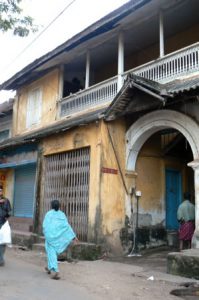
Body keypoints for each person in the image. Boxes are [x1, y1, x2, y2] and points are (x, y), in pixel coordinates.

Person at [43, 199, 78, 280]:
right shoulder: (62, 215)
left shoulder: (48, 214)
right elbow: (66, 226)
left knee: (51, 252)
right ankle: (49, 267)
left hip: (50, 238)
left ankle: (55, 271)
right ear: (59, 206)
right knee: (50, 252)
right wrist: (73, 236)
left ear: (51, 206)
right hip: (58, 238)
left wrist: (46, 233)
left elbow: (45, 225)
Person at [0, 185, 11, 266]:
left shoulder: (6, 200)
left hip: (2, 224)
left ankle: (1, 259)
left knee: (2, 242)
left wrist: (6, 218)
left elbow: (9, 212)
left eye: (0, 190)